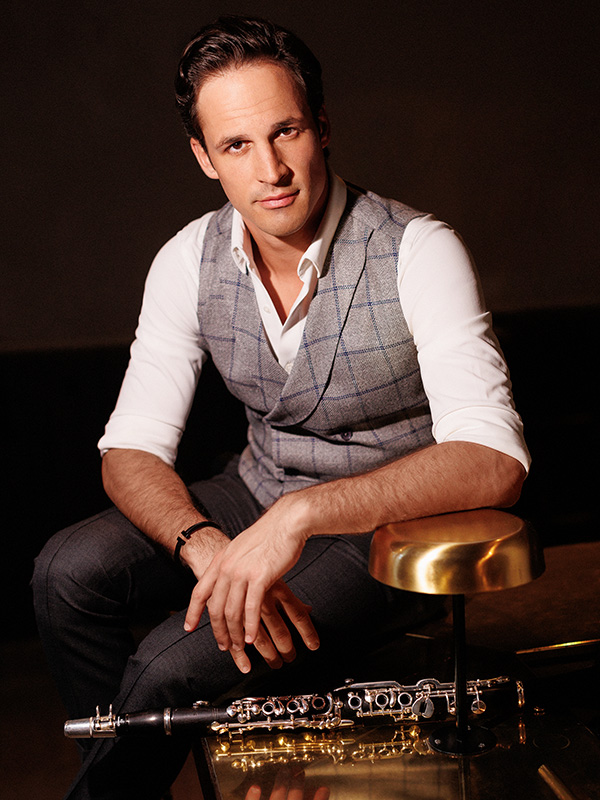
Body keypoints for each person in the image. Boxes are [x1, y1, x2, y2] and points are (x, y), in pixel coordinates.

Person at [32, 14, 530, 799]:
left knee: (164, 667)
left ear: (321, 128)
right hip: (257, 487)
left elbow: (495, 461)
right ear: (204, 158)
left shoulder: (418, 249)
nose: (270, 169)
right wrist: (202, 544)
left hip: (387, 530)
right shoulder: (187, 259)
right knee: (66, 573)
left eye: (285, 132)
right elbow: (129, 449)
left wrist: (298, 519)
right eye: (236, 145)